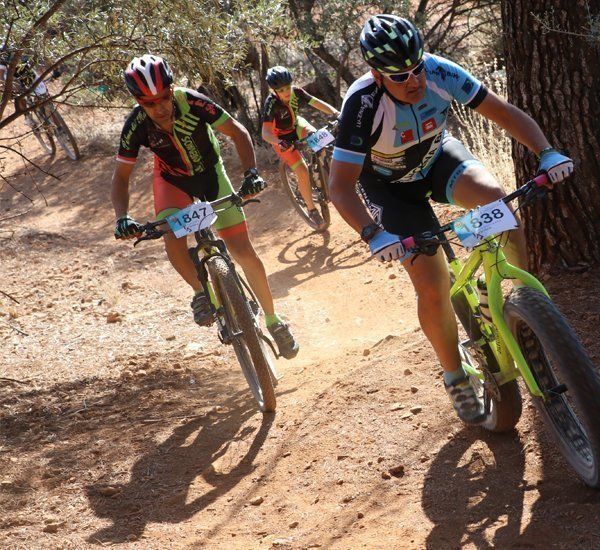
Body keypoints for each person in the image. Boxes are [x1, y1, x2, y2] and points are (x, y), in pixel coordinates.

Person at [328, 15, 574, 422]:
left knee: (497, 203)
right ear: (377, 74)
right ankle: (454, 374)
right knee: (432, 283)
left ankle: (521, 307)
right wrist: (374, 234)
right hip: (390, 189)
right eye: (401, 75)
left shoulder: (441, 71)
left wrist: (547, 152)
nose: (415, 81)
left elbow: (505, 113)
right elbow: (340, 186)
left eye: (418, 67)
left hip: (437, 160)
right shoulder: (362, 104)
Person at [110, 54, 298, 359]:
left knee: (242, 251)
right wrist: (122, 217)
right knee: (172, 236)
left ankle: (274, 321)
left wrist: (251, 174)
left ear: (172, 90)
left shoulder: (194, 102)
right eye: (148, 103)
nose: (158, 107)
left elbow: (238, 131)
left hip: (212, 174)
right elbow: (120, 177)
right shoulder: (136, 125)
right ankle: (203, 294)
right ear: (137, 102)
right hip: (173, 181)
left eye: (163, 98)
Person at [260, 66, 340, 230]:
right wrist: (279, 142)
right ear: (274, 91)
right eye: (281, 90)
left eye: (288, 87)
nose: (286, 92)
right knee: (302, 171)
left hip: (296, 126)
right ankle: (311, 210)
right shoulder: (271, 104)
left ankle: (324, 176)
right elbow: (265, 134)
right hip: (281, 138)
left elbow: (316, 102)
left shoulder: (296, 92)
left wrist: (336, 113)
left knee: (319, 139)